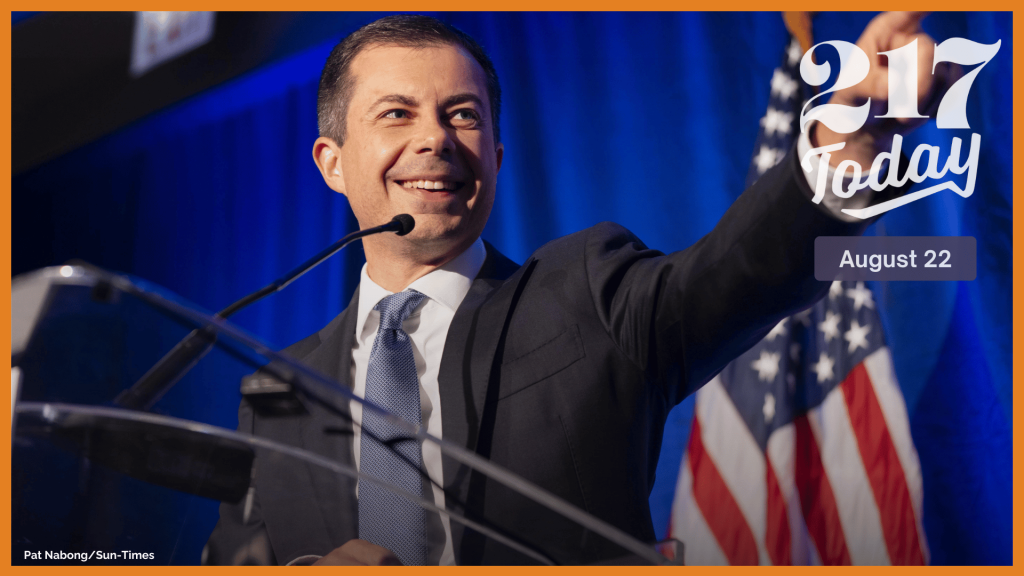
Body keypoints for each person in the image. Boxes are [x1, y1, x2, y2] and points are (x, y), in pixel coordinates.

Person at [206, 12, 939, 565]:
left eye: (462, 114)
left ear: (494, 153)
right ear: (331, 162)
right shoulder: (280, 393)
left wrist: (846, 151)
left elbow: (735, 273)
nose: (435, 138)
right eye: (397, 113)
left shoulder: (587, 293)